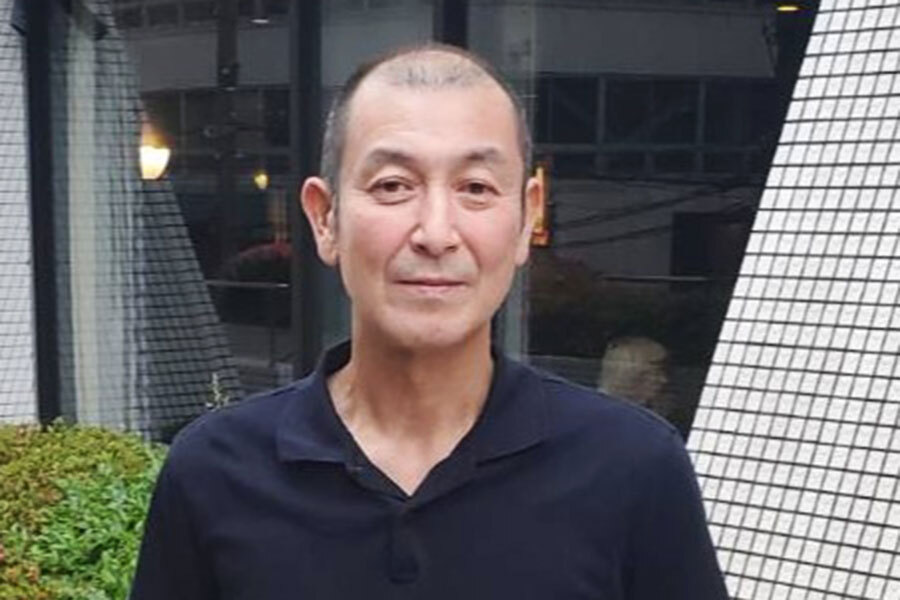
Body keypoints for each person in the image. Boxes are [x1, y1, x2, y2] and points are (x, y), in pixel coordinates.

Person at [130, 44, 728, 599]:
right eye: (393, 186)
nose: (436, 233)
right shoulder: (214, 471)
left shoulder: (633, 467)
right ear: (325, 218)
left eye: (476, 188)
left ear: (527, 218)